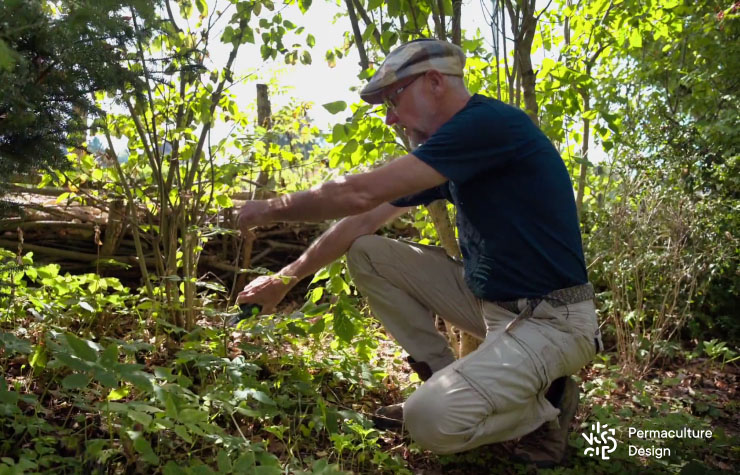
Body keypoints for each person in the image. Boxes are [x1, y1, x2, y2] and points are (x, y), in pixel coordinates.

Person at [235, 38, 600, 467]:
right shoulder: (451, 153)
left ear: (434, 82)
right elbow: (363, 219)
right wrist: (286, 278)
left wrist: (268, 208)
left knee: (430, 423)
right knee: (368, 252)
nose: (390, 117)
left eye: (393, 98)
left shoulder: (488, 126)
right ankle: (445, 378)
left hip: (554, 320)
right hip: (494, 308)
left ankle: (550, 404)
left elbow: (358, 193)